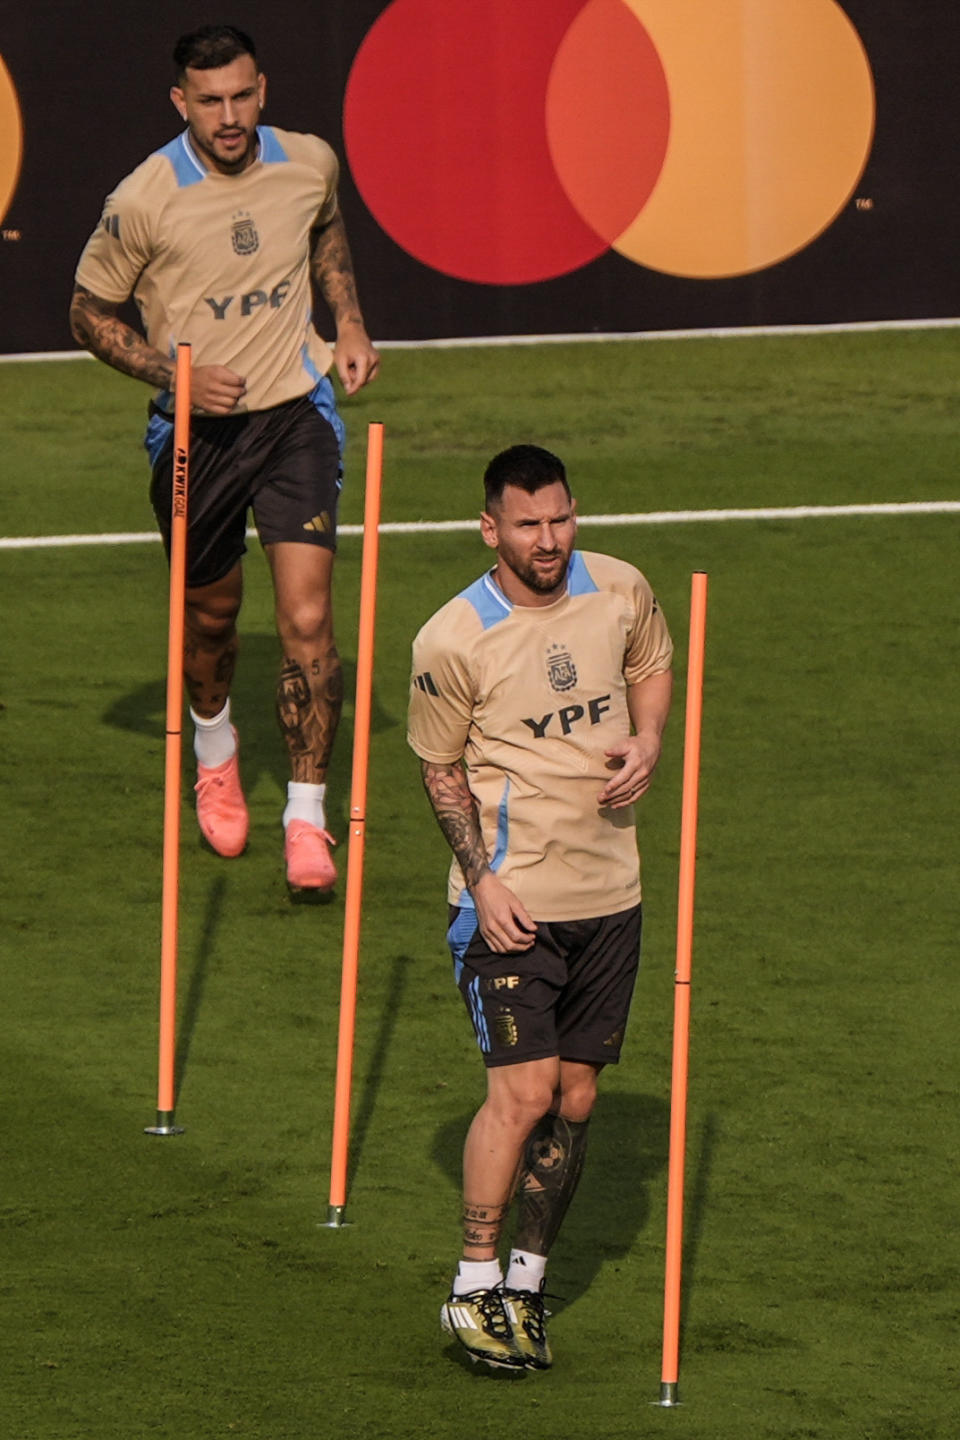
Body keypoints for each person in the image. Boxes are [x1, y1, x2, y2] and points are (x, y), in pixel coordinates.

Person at [70, 24, 379, 891]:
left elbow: (325, 227)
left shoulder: (308, 160)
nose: (230, 115)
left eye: (243, 95)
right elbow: (88, 312)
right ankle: (215, 746)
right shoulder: (144, 198)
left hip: (295, 416)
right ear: (182, 104)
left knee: (310, 623)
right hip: (195, 436)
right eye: (211, 101)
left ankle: (307, 817)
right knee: (209, 621)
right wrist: (175, 373)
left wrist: (346, 320)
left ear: (263, 89)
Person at [407, 444, 673, 1371]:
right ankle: (473, 1288)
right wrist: (481, 883)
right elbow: (440, 769)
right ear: (492, 528)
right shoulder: (452, 639)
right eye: (529, 523)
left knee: (575, 1095)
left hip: (614, 893)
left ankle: (526, 1285)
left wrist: (648, 737)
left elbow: (651, 660)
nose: (550, 538)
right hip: (512, 904)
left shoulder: (621, 588)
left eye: (561, 518)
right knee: (520, 1094)